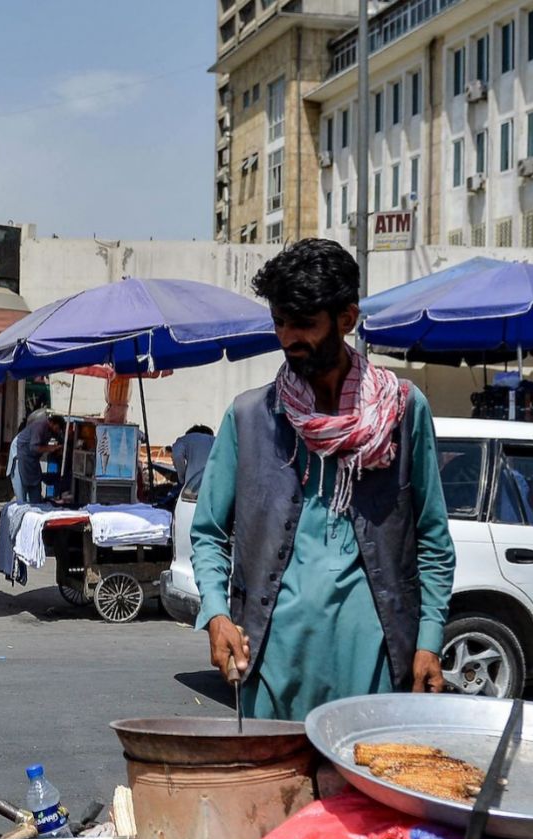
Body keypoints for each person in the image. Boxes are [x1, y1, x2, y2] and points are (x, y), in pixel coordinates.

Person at [190, 239, 455, 722]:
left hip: (376, 664)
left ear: (347, 318)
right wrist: (216, 613)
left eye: (305, 324)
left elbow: (434, 539)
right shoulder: (250, 417)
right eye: (280, 323)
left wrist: (429, 641)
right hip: (270, 661)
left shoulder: (402, 411)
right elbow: (208, 534)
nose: (289, 337)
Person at [8, 408, 65, 504]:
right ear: (52, 423)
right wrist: (50, 448)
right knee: (22, 491)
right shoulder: (40, 426)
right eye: (57, 428)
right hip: (21, 455)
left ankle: (35, 504)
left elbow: (59, 440)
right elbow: (34, 447)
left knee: (35, 489)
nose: (58, 430)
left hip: (33, 460)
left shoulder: (52, 431)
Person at [171, 424, 217, 493]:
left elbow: (177, 456)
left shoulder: (184, 439)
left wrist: (181, 477)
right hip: (215, 486)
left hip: (193, 488)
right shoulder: (216, 440)